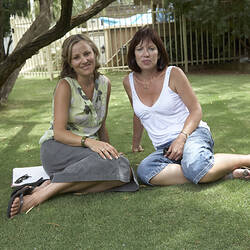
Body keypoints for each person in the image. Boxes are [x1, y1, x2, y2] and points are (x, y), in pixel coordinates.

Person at [7, 34, 138, 218]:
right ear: (70, 63)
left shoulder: (105, 84)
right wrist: (91, 143)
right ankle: (40, 196)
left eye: (87, 53)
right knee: (119, 167)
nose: (84, 60)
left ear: (94, 53)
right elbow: (59, 133)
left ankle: (51, 186)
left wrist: (109, 148)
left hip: (87, 154)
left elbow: (101, 124)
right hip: (58, 149)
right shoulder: (65, 86)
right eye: (76, 57)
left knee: (125, 171)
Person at [123, 26, 250, 187]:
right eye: (139, 49)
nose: (146, 54)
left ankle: (246, 159)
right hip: (165, 148)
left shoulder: (173, 74)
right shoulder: (129, 82)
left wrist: (181, 138)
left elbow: (196, 110)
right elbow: (138, 113)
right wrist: (136, 143)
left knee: (195, 166)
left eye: (151, 48)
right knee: (145, 171)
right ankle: (223, 174)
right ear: (133, 54)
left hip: (192, 134)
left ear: (159, 52)